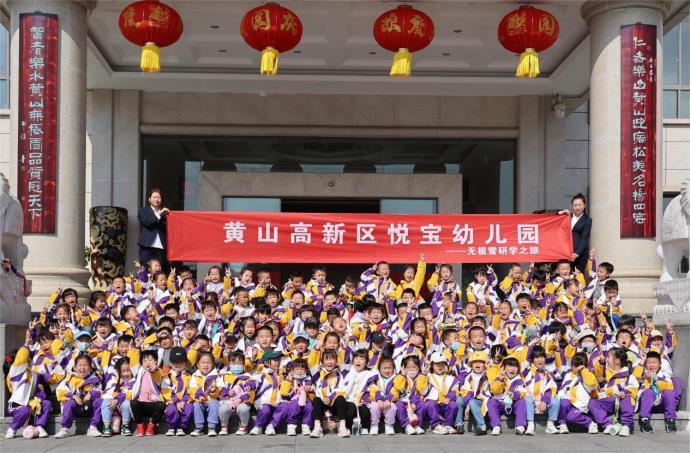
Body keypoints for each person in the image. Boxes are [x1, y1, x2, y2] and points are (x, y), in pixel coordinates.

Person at [137, 188, 169, 272]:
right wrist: (159, 214)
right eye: (154, 197)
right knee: (145, 270)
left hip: (161, 247)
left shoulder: (166, 214)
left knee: (160, 271)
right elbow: (147, 222)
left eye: (159, 198)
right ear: (149, 199)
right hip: (147, 247)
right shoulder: (143, 211)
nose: (156, 199)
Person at [567, 193, 592, 273]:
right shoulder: (567, 216)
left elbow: (585, 238)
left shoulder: (587, 220)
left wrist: (577, 253)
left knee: (577, 277)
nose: (577, 207)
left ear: (584, 205)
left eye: (580, 205)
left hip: (579, 255)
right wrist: (561, 212)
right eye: (575, 205)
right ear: (572, 206)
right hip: (567, 253)